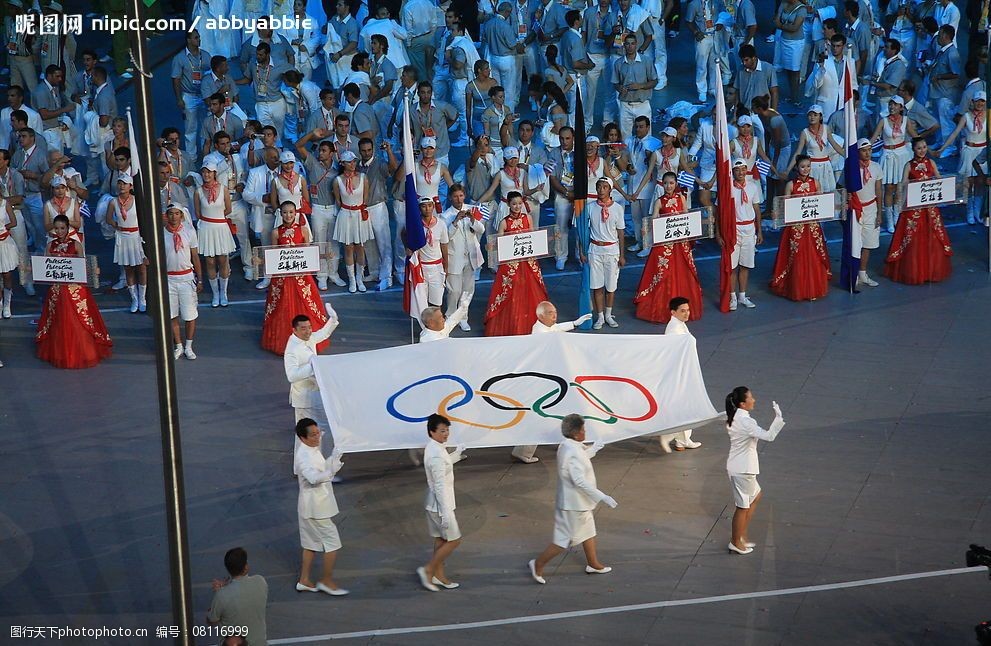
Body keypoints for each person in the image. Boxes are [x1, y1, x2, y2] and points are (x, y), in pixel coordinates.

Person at [528, 413, 617, 584]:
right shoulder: (573, 450)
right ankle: (538, 564)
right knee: (564, 540)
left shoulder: (568, 445)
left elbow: (581, 459)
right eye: (583, 430)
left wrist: (595, 448)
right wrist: (603, 497)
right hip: (574, 504)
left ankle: (593, 564)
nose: (585, 432)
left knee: (589, 532)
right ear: (576, 433)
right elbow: (579, 481)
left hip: (577, 503)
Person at [510, 302, 593, 465]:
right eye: (550, 313)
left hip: (552, 379)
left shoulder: (545, 328)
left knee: (560, 412)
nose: (554, 315)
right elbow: (554, 334)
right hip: (544, 382)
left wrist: (574, 324)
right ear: (540, 316)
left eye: (555, 312)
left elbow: (556, 328)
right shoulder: (540, 333)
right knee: (540, 416)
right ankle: (524, 451)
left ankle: (572, 442)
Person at [36, 215, 113, 368]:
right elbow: (46, 268)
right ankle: (60, 352)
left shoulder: (76, 244)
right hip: (58, 289)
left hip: (74, 289)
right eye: (56, 228)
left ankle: (82, 350)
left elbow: (82, 265)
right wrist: (33, 268)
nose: (59, 231)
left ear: (67, 228)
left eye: (62, 228)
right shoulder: (49, 246)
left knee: (78, 320)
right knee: (59, 320)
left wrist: (93, 270)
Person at [261, 202, 331, 356]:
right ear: (281, 213)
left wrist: (324, 255)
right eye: (285, 212)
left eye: (291, 212)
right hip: (283, 278)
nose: (288, 216)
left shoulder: (303, 229)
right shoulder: (276, 232)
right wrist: (260, 261)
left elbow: (309, 253)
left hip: (301, 277)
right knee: (281, 305)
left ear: (296, 213)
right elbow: (273, 255)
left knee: (307, 303)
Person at [633, 172, 703, 324]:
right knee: (662, 273)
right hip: (665, 244)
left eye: (671, 183)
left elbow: (686, 218)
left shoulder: (681, 198)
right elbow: (654, 222)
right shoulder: (659, 201)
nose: (668, 186)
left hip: (680, 243)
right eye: (665, 183)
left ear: (676, 183)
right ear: (662, 184)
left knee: (683, 272)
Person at [884, 137, 953, 284]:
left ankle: (931, 270)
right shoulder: (908, 165)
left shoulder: (931, 163)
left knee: (933, 237)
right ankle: (914, 271)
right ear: (913, 149)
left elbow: (939, 180)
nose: (922, 150)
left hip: (930, 209)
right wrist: (900, 205)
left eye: (924, 147)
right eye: (919, 148)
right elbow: (903, 185)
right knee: (912, 239)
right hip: (914, 209)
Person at [725, 387, 784, 555]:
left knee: (756, 496)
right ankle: (736, 541)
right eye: (751, 398)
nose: (754, 400)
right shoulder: (746, 422)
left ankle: (740, 536)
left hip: (738, 466)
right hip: (744, 469)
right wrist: (778, 419)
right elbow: (769, 436)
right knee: (743, 506)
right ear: (743, 404)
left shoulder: (734, 417)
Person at [293, 418, 349, 596]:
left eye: (319, 433)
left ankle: (304, 580)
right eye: (314, 435)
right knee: (332, 544)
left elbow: (324, 467)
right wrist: (332, 471)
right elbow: (313, 477)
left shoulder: (311, 449)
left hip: (310, 508)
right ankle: (326, 580)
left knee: (310, 544)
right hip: (316, 509)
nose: (318, 437)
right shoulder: (303, 456)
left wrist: (335, 456)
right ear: (302, 438)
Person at [484, 192, 548, 336]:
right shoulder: (504, 222)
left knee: (530, 289)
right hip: (511, 264)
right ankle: (513, 323)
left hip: (527, 261)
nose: (517, 206)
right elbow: (499, 242)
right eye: (514, 204)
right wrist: (491, 247)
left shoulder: (528, 218)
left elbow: (532, 237)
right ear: (508, 204)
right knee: (511, 291)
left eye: (519, 203)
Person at [416, 413, 468, 592]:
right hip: (440, 504)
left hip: (434, 503)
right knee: (454, 540)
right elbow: (439, 484)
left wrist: (456, 454)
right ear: (432, 432)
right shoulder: (436, 453)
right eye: (442, 431)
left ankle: (438, 575)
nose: (446, 434)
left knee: (440, 540)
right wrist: (445, 512)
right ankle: (428, 570)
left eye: (447, 430)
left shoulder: (435, 447)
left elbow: (444, 466)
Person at [769, 156, 831, 301]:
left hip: (812, 227)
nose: (806, 169)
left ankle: (813, 289)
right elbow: (785, 204)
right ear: (797, 167)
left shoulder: (816, 182)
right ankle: (798, 289)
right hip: (796, 228)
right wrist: (777, 213)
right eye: (803, 166)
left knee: (813, 255)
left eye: (808, 166)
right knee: (797, 257)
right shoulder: (791, 185)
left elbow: (821, 203)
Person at [934, 92, 987, 226]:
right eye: (977, 101)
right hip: (969, 151)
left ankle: (977, 211)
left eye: (982, 101)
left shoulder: (989, 116)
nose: (980, 104)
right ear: (972, 102)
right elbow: (955, 133)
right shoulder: (966, 117)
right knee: (969, 183)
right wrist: (943, 148)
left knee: (980, 182)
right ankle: (969, 211)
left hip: (983, 152)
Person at [657, 297, 703, 452]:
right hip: (679, 374)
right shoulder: (674, 330)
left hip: (683, 372)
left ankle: (681, 439)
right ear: (673, 312)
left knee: (682, 406)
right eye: (683, 311)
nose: (686, 313)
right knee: (682, 406)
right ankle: (676, 437)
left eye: (688, 310)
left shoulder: (679, 325)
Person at [717, 160, 762, 311]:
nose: (741, 173)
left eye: (743, 169)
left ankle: (742, 295)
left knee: (745, 265)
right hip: (733, 230)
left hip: (749, 229)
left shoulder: (753, 186)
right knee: (732, 266)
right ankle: (732, 297)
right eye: (737, 170)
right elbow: (719, 212)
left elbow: (756, 208)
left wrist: (759, 230)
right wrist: (718, 233)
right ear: (733, 172)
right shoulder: (727, 188)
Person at [869, 96, 917, 233]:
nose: (892, 107)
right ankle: (890, 221)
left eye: (895, 105)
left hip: (902, 155)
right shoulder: (883, 121)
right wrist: (863, 148)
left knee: (900, 188)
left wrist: (928, 149)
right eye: (890, 104)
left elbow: (915, 136)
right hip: (888, 155)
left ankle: (897, 218)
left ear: (901, 107)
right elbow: (874, 138)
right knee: (889, 188)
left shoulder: (906, 121)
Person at [439, 184, 484, 330]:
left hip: (471, 257)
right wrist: (455, 221)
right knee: (454, 291)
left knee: (468, 290)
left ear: (464, 195)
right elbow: (445, 237)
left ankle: (463, 317)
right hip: (454, 258)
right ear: (450, 198)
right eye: (455, 196)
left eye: (461, 196)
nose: (459, 199)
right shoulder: (445, 216)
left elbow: (481, 229)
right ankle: (450, 317)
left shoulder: (472, 209)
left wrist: (472, 220)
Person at [585, 177, 625, 330]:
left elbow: (621, 233)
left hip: (611, 251)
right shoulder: (590, 207)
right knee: (597, 286)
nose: (601, 190)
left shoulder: (617, 209)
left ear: (610, 189)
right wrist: (582, 251)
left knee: (611, 286)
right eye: (599, 187)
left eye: (604, 187)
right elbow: (584, 230)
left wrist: (621, 255)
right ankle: (600, 316)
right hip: (595, 250)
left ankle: (609, 314)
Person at [194, 161, 236, 308]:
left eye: (209, 172)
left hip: (220, 227)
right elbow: (198, 213)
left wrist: (217, 217)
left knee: (223, 260)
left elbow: (228, 209)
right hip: (206, 228)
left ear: (214, 174)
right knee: (210, 262)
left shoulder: (223, 189)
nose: (206, 174)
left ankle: (223, 292)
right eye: (204, 171)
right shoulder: (198, 191)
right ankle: (215, 293)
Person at [163, 204, 203, 360]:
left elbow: (195, 257)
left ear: (181, 216)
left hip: (186, 278)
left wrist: (199, 279)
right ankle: (178, 345)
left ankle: (188, 346)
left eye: (177, 213)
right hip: (169, 278)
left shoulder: (189, 232)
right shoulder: (161, 234)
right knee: (172, 314)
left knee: (189, 314)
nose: (174, 217)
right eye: (171, 214)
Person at [206, 547, 268, 646]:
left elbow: (212, 621)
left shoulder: (221, 596)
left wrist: (220, 592)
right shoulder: (261, 581)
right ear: (246, 567)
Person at [105, 174, 148, 314]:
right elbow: (109, 217)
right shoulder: (113, 202)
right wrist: (116, 226)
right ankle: (134, 298)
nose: (122, 186)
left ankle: (142, 298)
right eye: (120, 183)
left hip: (136, 236)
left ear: (131, 186)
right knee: (128, 268)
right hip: (123, 237)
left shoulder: (137, 201)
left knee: (141, 268)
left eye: (125, 183)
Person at [332, 151, 373, 293]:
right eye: (349, 162)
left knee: (360, 247)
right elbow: (338, 200)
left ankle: (359, 278)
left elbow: (365, 198)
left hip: (359, 215)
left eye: (354, 161)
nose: (353, 164)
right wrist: (347, 210)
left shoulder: (363, 178)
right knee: (348, 248)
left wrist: (359, 211)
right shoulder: (337, 181)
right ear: (342, 163)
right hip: (345, 214)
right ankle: (352, 280)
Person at [852, 139, 883, 287]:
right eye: (864, 150)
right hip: (856, 210)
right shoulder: (851, 168)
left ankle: (863, 273)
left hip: (871, 208)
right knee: (854, 243)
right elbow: (843, 188)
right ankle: (853, 274)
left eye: (870, 150)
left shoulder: (876, 167)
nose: (868, 153)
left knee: (868, 243)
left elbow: (878, 191)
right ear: (858, 152)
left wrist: (879, 213)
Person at [0, 197, 18, 318]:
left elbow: (14, 222)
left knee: (7, 275)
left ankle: (7, 305)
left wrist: (3, 228)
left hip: (5, 243)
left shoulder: (4, 204)